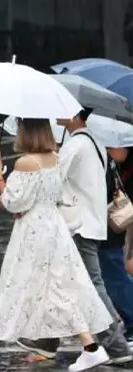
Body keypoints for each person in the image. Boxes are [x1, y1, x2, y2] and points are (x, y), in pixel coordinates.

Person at [0, 118, 112, 371]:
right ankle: (90, 348)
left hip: (32, 233)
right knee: (59, 290)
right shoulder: (54, 157)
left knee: (13, 286)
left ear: (25, 132)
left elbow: (13, 202)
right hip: (54, 228)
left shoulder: (26, 162)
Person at [17, 109, 132, 365]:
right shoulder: (92, 142)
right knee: (62, 283)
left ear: (74, 114)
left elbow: (51, 178)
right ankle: (48, 341)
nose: (55, 115)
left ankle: (116, 345)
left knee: (89, 286)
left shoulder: (77, 144)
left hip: (78, 227)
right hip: (89, 224)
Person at [99, 147, 133, 346]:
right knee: (111, 273)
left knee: (114, 273)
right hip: (109, 219)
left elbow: (120, 155)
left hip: (110, 220)